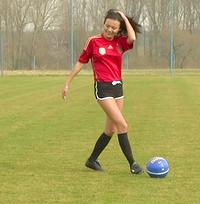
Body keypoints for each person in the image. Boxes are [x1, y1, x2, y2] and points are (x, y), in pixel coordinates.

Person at [61, 9, 143, 174]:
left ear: (118, 29)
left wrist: (124, 18)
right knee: (122, 125)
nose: (110, 30)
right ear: (103, 24)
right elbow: (80, 63)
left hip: (118, 87)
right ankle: (133, 164)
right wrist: (67, 83)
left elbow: (133, 37)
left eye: (114, 28)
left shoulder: (120, 42)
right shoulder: (93, 41)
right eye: (107, 26)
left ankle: (92, 160)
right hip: (103, 89)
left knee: (110, 129)